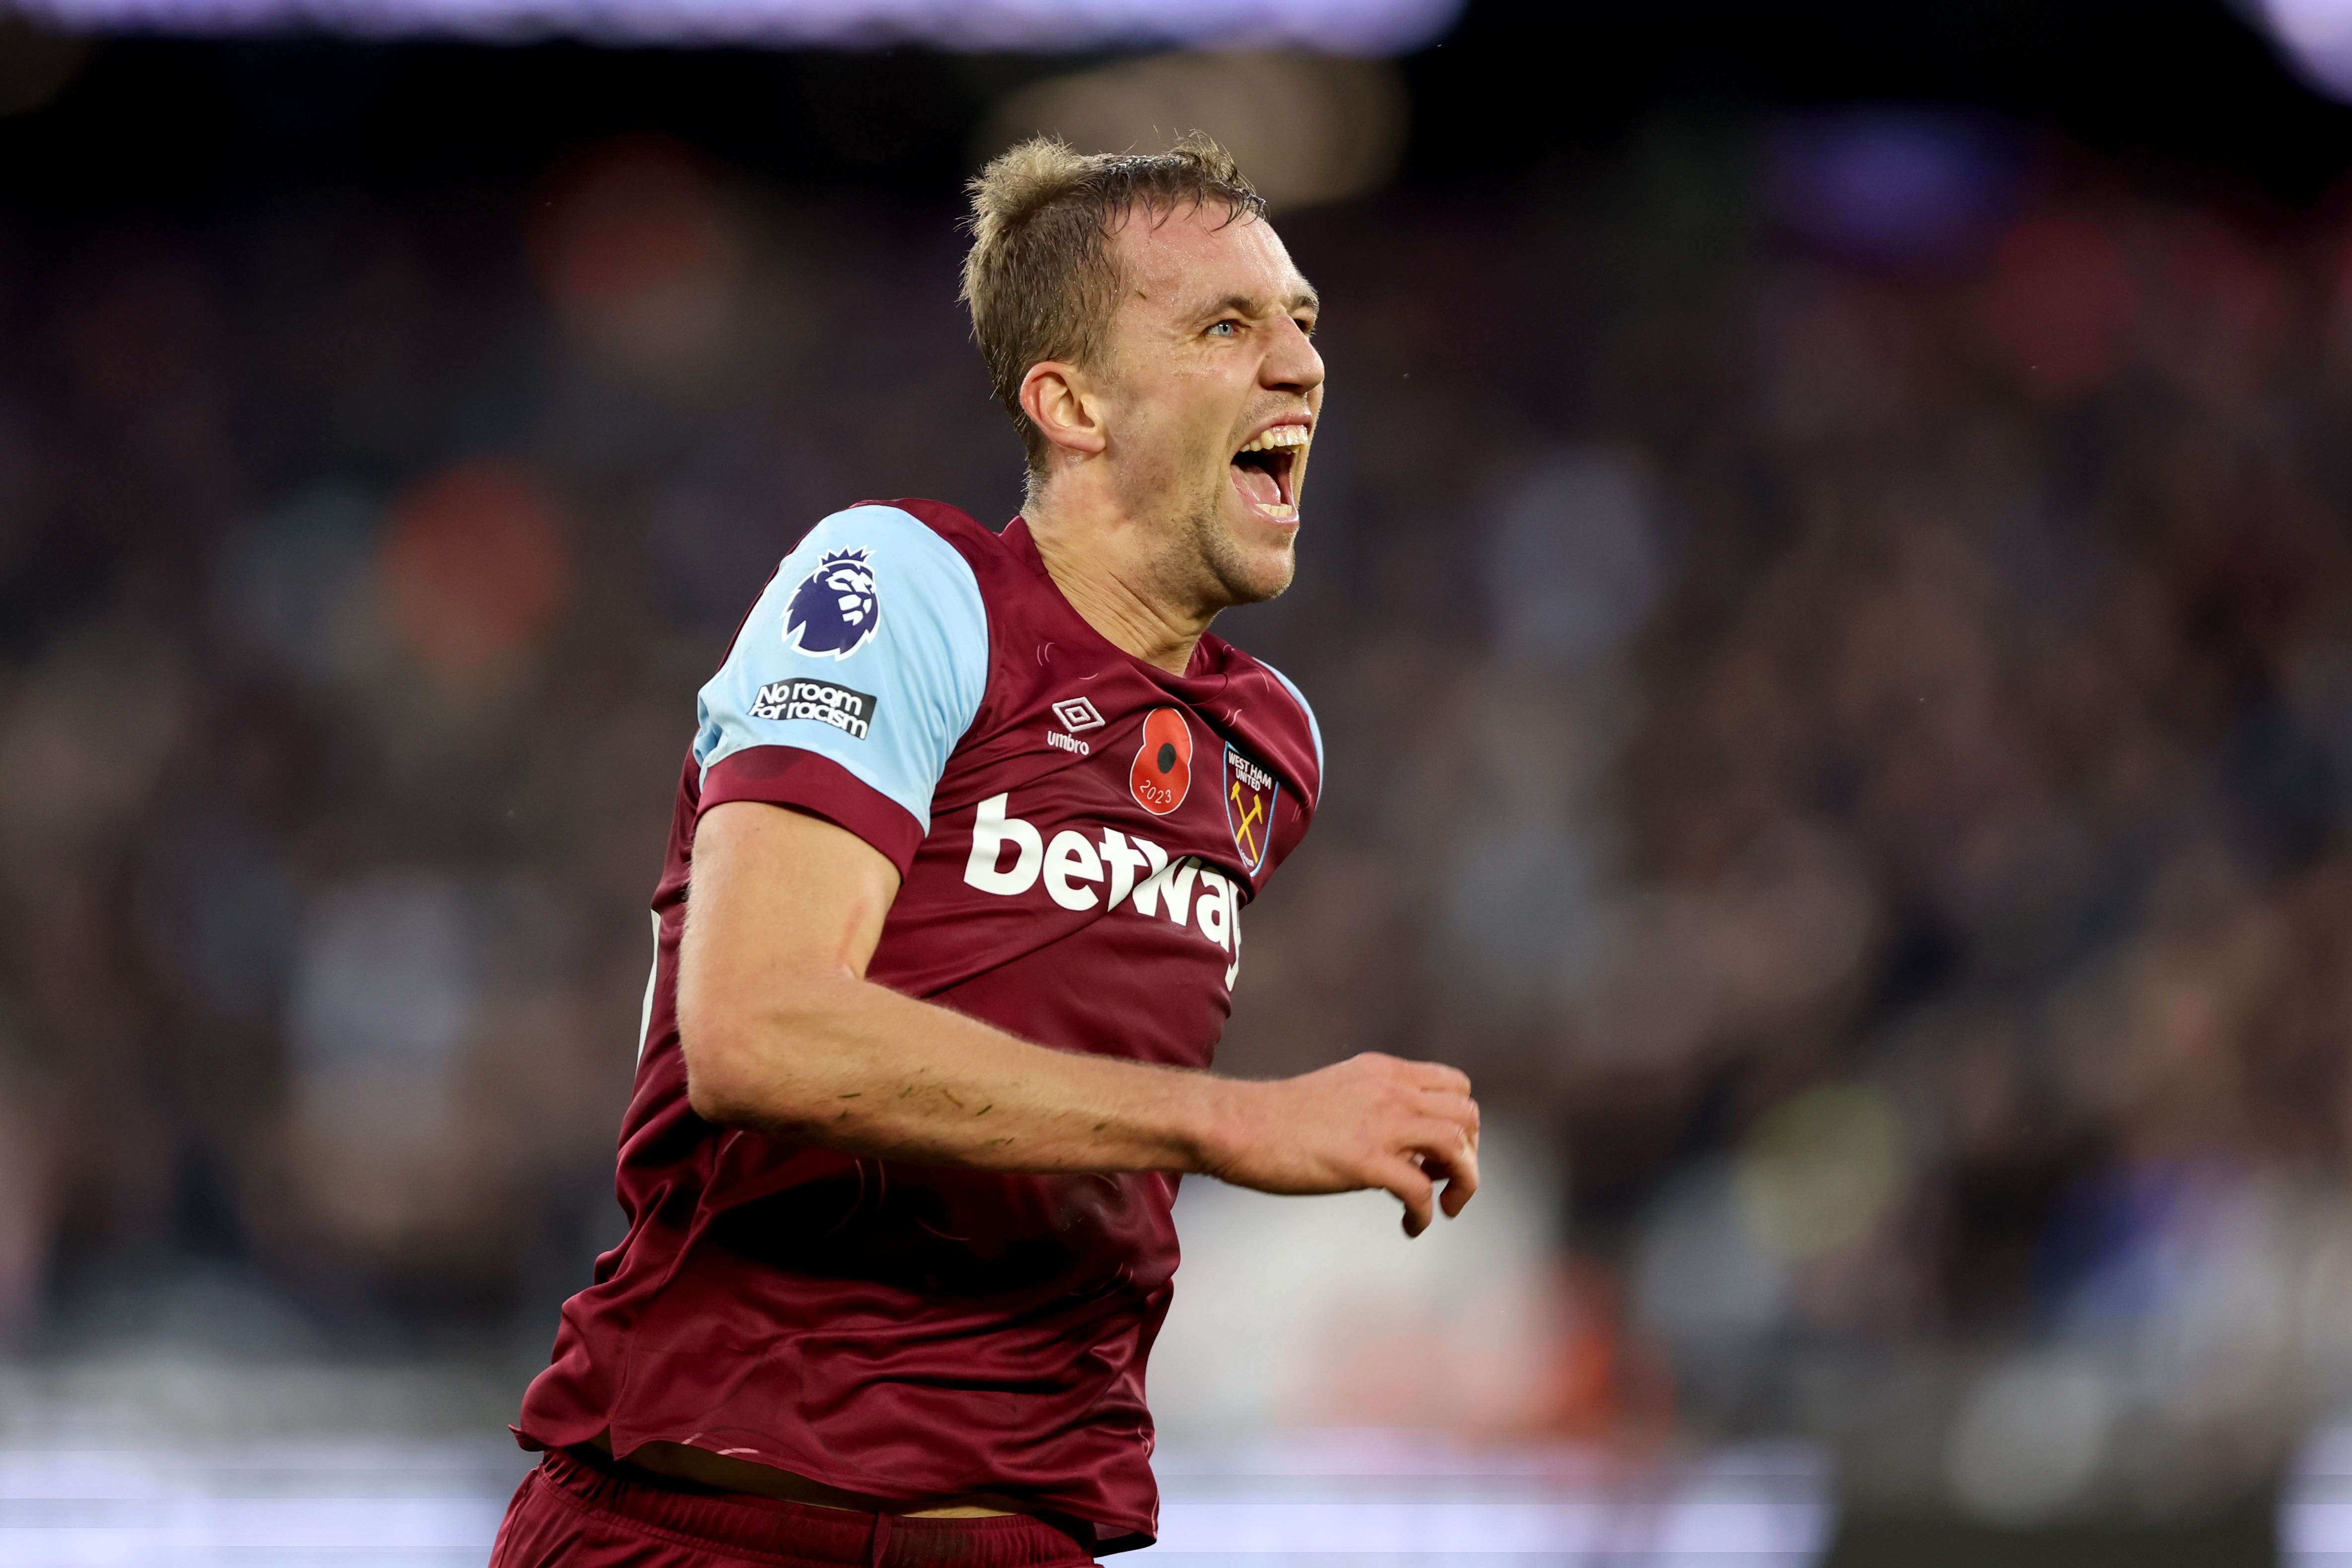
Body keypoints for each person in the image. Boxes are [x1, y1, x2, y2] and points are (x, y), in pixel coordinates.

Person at [489, 132, 1482, 1568]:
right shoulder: (908, 586)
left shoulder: (1270, 751)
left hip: (1027, 1529)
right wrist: (1232, 1121)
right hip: (719, 1514)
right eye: (1225, 326)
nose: (1299, 365)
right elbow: (757, 1032)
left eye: (1301, 323)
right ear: (1068, 402)